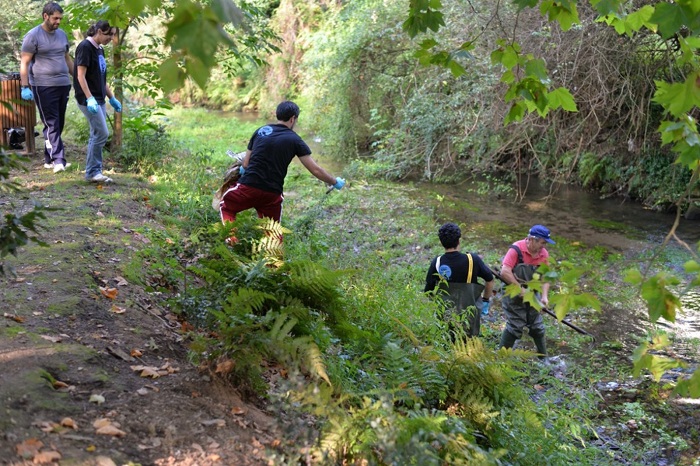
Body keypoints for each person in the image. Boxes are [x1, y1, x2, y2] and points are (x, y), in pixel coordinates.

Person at [219, 101, 345, 230]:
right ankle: (272, 249)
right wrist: (335, 182)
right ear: (292, 119)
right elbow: (316, 170)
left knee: (227, 207)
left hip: (248, 187)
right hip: (272, 194)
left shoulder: (261, 131)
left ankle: (231, 241)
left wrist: (241, 171)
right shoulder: (295, 140)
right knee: (272, 232)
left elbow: (246, 164)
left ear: (277, 115)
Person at [20, 2, 74, 173]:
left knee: (58, 123)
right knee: (51, 123)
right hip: (43, 85)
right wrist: (24, 86)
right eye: (55, 18)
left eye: (60, 18)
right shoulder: (33, 36)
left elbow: (67, 58)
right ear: (45, 16)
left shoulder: (62, 35)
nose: (58, 21)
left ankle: (49, 159)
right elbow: (25, 62)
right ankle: (59, 159)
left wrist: (78, 79)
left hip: (63, 84)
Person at [424, 222, 494, 338]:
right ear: (458, 240)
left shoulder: (437, 263)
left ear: (442, 243)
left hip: (445, 316)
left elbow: (428, 292)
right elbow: (490, 280)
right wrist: (485, 300)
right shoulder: (472, 260)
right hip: (469, 316)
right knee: (468, 344)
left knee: (446, 343)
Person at [73, 20, 121, 183]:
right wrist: (89, 98)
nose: (112, 38)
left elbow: (101, 78)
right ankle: (93, 172)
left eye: (113, 34)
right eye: (110, 35)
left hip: (98, 98)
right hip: (88, 99)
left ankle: (94, 171)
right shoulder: (85, 47)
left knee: (96, 133)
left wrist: (112, 97)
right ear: (99, 32)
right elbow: (80, 76)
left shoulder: (100, 49)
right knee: (102, 133)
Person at [498, 224, 554, 359]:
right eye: (542, 242)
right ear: (533, 239)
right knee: (515, 325)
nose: (544, 246)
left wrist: (544, 297)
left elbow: (546, 277)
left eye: (545, 243)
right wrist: (519, 289)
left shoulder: (543, 254)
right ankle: (500, 357)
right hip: (513, 293)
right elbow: (505, 272)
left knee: (537, 326)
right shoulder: (516, 250)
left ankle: (543, 357)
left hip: (533, 292)